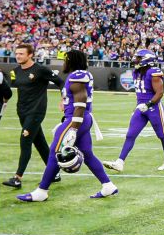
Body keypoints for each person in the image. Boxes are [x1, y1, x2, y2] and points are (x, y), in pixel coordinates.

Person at [16, 50, 118, 202]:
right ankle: (108, 185)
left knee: (54, 153)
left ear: (71, 61)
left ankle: (42, 191)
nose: (63, 63)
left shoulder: (77, 75)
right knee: (87, 154)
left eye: (65, 60)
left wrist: (73, 128)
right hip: (81, 118)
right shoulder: (79, 74)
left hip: (76, 120)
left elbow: (81, 101)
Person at [2, 42, 60, 189]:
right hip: (22, 111)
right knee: (39, 142)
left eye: (21, 54)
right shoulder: (15, 71)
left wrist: (64, 100)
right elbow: (12, 90)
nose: (18, 56)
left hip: (36, 111)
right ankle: (55, 172)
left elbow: (61, 82)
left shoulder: (41, 70)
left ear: (30, 55)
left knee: (25, 140)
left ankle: (17, 178)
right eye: (17, 53)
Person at [106, 49, 164, 172]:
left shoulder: (153, 72)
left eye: (138, 58)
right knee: (130, 135)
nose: (135, 59)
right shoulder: (136, 72)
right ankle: (120, 162)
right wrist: (137, 106)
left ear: (146, 60)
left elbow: (160, 93)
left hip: (154, 107)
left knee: (162, 135)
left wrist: (148, 104)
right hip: (140, 107)